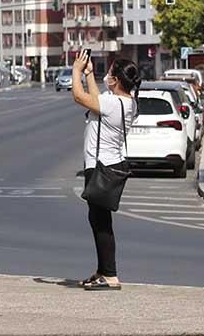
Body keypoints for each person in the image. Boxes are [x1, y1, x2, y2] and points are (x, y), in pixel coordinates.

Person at [71, 53, 141, 291]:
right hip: (109, 165)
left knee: (100, 222)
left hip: (101, 167)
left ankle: (110, 275)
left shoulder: (113, 104)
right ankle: (103, 271)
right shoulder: (127, 103)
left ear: (117, 80)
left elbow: (79, 96)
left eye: (111, 72)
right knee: (98, 219)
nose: (107, 75)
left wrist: (76, 70)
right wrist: (89, 74)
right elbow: (97, 100)